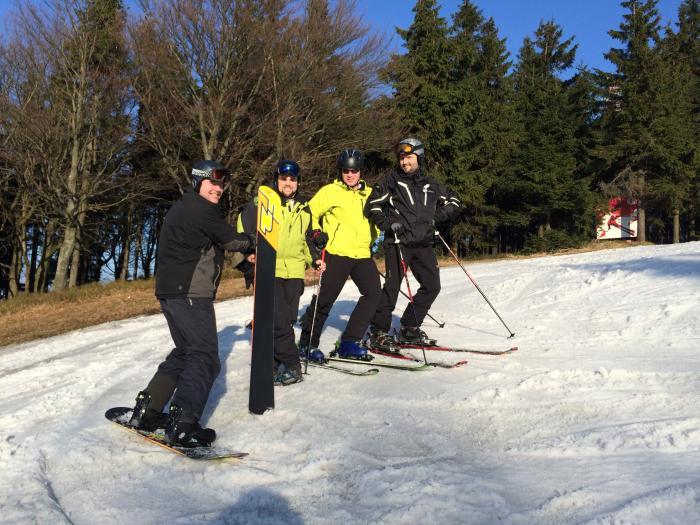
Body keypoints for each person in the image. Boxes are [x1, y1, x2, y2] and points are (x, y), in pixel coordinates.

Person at [128, 160, 255, 447]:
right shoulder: (200, 208)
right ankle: (183, 423)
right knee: (205, 356)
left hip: (171, 292)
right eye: (213, 183)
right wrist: (254, 241)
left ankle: (147, 410)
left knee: (185, 352)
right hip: (189, 293)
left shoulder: (184, 208)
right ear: (199, 182)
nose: (218, 189)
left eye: (221, 185)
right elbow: (231, 239)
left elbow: (215, 245)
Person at [364, 138, 461, 348]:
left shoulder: (431, 185)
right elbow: (371, 207)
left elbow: (454, 201)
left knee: (432, 285)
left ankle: (409, 326)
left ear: (419, 157)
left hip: (423, 243)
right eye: (401, 158)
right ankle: (378, 332)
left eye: (409, 157)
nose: (404, 162)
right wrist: (389, 223)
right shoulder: (390, 182)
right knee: (391, 288)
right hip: (398, 243)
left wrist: (437, 216)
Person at [237, 160, 325, 386]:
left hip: (294, 272)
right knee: (279, 321)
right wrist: (248, 253)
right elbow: (243, 229)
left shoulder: (304, 209)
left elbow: (306, 241)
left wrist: (314, 259)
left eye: (292, 179)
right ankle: (293, 365)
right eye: (284, 179)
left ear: (297, 182)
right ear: (277, 180)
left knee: (287, 319)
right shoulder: (262, 203)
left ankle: (275, 364)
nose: (288, 183)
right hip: (269, 269)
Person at [298, 149, 381, 361]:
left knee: (373, 294)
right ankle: (307, 344)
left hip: (362, 254)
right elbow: (310, 212)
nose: (350, 175)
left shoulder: (371, 194)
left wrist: (376, 238)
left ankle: (349, 342)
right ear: (341, 171)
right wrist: (316, 232)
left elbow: (377, 219)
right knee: (325, 300)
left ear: (361, 171)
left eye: (354, 170)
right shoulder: (330, 192)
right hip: (336, 253)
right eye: (346, 170)